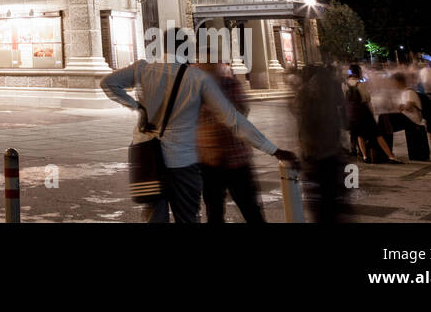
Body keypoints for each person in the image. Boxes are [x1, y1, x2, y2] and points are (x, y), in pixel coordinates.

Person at [102, 59, 295, 223]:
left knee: (156, 216)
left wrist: (137, 107)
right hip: (183, 161)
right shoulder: (197, 79)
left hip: (151, 160)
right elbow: (234, 120)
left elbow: (108, 83)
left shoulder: (144, 69)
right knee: (188, 216)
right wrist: (272, 149)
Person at [195, 62, 265, 223]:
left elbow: (242, 114)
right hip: (213, 162)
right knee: (217, 213)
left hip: (231, 160)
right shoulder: (197, 90)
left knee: (249, 210)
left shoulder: (227, 85)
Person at [295, 64, 348, 222]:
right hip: (330, 154)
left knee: (321, 207)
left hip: (315, 157)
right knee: (333, 204)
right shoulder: (330, 89)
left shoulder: (304, 93)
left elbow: (303, 125)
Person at [346, 64, 401, 163]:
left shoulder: (345, 84)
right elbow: (366, 98)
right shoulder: (360, 84)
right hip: (363, 112)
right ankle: (390, 156)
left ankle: (365, 156)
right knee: (377, 134)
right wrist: (372, 112)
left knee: (360, 135)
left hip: (351, 112)